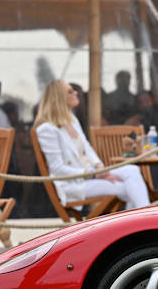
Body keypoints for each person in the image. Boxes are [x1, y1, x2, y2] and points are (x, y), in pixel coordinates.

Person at [34, 80, 150, 209]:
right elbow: (57, 169)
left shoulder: (72, 120)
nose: (76, 93)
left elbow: (87, 149)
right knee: (129, 189)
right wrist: (93, 174)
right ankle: (145, 221)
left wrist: (101, 168)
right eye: (70, 91)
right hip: (73, 184)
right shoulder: (46, 129)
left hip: (91, 175)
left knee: (132, 170)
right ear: (59, 98)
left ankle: (141, 221)